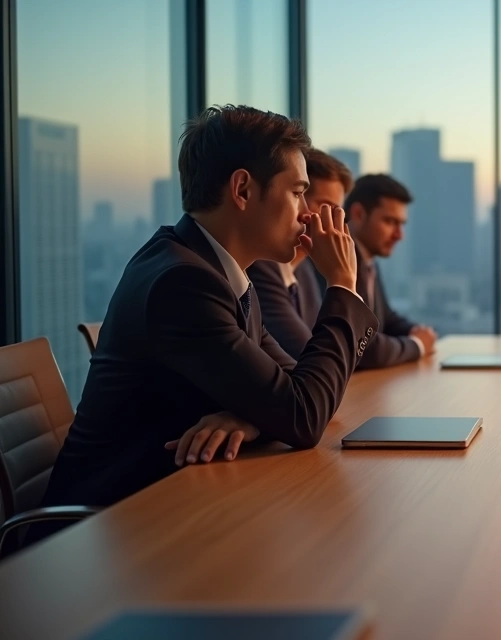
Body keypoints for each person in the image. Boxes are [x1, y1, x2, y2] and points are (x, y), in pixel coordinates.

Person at [42, 105, 377, 508]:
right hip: (109, 527)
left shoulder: (216, 271)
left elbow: (299, 390)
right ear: (242, 190)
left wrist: (253, 416)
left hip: (171, 505)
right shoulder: (183, 283)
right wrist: (341, 285)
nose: (307, 213)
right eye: (298, 192)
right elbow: (305, 414)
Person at [248, 148, 351, 359]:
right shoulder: (259, 266)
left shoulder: (303, 269)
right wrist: (343, 280)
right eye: (324, 207)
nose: (332, 220)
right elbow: (315, 357)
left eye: (337, 211)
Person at [340, 174, 438, 367]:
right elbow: (361, 345)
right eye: (390, 222)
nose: (399, 235)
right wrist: (416, 345)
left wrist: (418, 332)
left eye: (401, 224)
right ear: (359, 214)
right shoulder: (337, 263)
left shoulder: (368, 261)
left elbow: (385, 320)